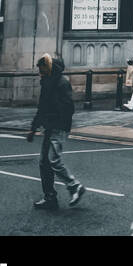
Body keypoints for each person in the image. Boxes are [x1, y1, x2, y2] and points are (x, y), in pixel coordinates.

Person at [26, 53, 85, 211]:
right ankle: (50, 198)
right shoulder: (47, 82)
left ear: (48, 68)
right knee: (44, 163)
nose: (39, 73)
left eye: (41, 70)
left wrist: (55, 122)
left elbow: (68, 108)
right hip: (49, 127)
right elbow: (42, 108)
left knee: (54, 161)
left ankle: (75, 187)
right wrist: (33, 128)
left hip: (58, 127)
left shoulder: (61, 83)